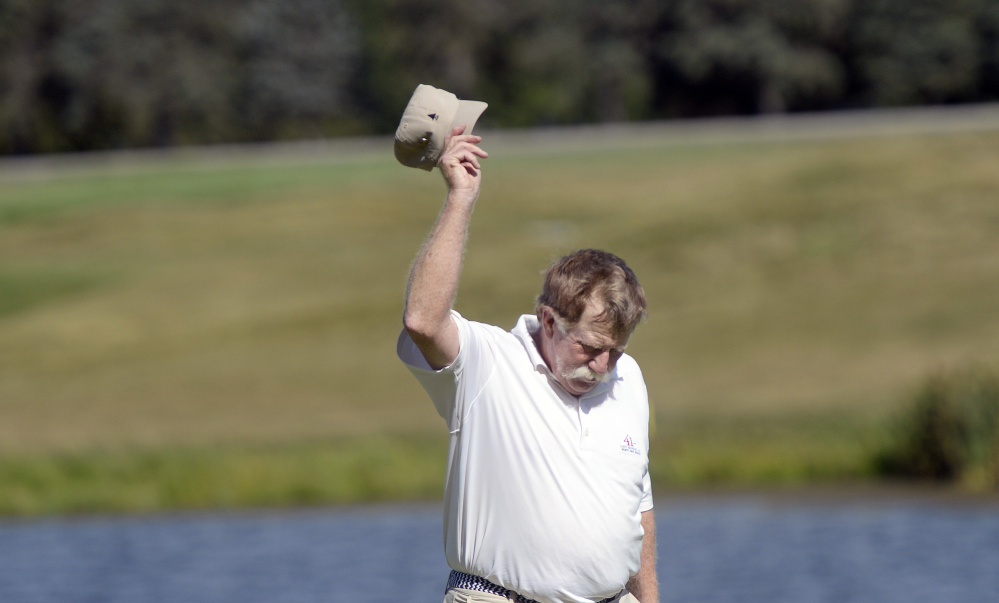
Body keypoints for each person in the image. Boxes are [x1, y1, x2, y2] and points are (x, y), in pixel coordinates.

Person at [396, 125, 658, 603]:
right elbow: (423, 321)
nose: (603, 366)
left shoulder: (629, 378)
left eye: (615, 351)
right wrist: (462, 196)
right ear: (549, 320)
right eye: (590, 347)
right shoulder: (487, 362)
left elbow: (638, 507)